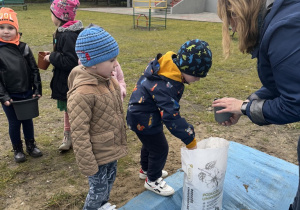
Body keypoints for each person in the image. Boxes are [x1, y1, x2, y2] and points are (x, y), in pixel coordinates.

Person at [212, 0, 300, 209]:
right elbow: (284, 84)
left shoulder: (283, 31)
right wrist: (246, 104)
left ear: (237, 13)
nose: (232, 29)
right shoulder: (280, 20)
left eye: (229, 23)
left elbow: (294, 104)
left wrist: (244, 107)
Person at [126, 39, 213, 196]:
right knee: (160, 148)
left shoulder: (168, 69)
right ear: (187, 69)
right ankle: (153, 180)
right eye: (197, 75)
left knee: (150, 144)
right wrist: (190, 139)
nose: (198, 79)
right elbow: (172, 117)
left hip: (141, 114)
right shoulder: (167, 84)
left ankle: (146, 170)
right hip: (144, 118)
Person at [67, 26, 128, 210]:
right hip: (96, 156)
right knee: (98, 189)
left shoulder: (110, 81)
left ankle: (102, 205)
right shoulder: (82, 93)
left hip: (110, 149)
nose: (116, 65)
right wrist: (88, 164)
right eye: (112, 60)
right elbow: (79, 133)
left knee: (109, 181)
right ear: (93, 63)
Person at [0, 7, 43, 163]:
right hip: (9, 97)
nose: (6, 31)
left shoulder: (24, 48)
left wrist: (37, 88)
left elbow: (34, 69)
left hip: (26, 93)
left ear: (16, 29)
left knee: (27, 120)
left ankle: (31, 145)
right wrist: (3, 96)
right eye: (2, 27)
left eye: (10, 28)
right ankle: (17, 148)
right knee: (14, 122)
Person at [44, 0, 84, 152]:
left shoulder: (68, 35)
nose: (51, 17)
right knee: (68, 111)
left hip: (71, 81)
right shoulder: (64, 31)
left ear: (59, 15)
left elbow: (70, 60)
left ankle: (79, 138)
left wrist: (52, 58)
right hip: (66, 80)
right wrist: (53, 54)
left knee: (75, 112)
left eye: (52, 13)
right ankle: (67, 136)